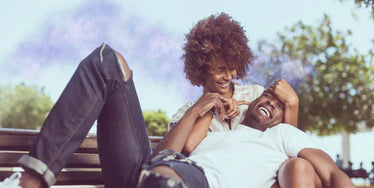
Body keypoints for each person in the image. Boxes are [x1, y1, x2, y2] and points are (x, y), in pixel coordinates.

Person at [0, 44, 354, 188]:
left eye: (278, 106)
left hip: (182, 182)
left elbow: (331, 173)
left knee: (168, 178)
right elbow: (166, 154)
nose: (271, 104)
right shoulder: (208, 125)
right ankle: (30, 180)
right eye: (267, 96)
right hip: (150, 172)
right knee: (107, 60)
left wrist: (289, 102)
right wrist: (204, 107)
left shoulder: (281, 137)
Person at [168, 12, 318, 187]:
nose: (229, 76)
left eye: (232, 68)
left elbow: (286, 146)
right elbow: (176, 153)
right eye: (220, 69)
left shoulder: (256, 96)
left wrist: (293, 104)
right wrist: (208, 108)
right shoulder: (186, 114)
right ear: (201, 68)